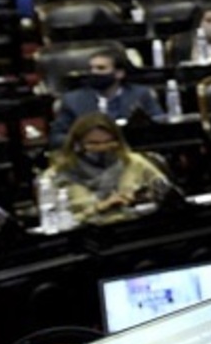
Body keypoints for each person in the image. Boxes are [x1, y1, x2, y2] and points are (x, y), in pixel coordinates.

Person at [40, 114, 171, 225]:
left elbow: (166, 192)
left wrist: (145, 197)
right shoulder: (57, 175)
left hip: (135, 227)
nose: (103, 148)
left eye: (109, 142)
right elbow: (54, 222)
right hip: (86, 238)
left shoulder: (133, 162)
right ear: (77, 144)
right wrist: (99, 208)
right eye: (94, 143)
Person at [50, 50, 162, 142]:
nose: (94, 72)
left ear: (119, 73)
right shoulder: (72, 100)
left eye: (101, 68)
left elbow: (160, 125)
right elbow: (56, 138)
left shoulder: (140, 94)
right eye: (91, 68)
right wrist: (85, 142)